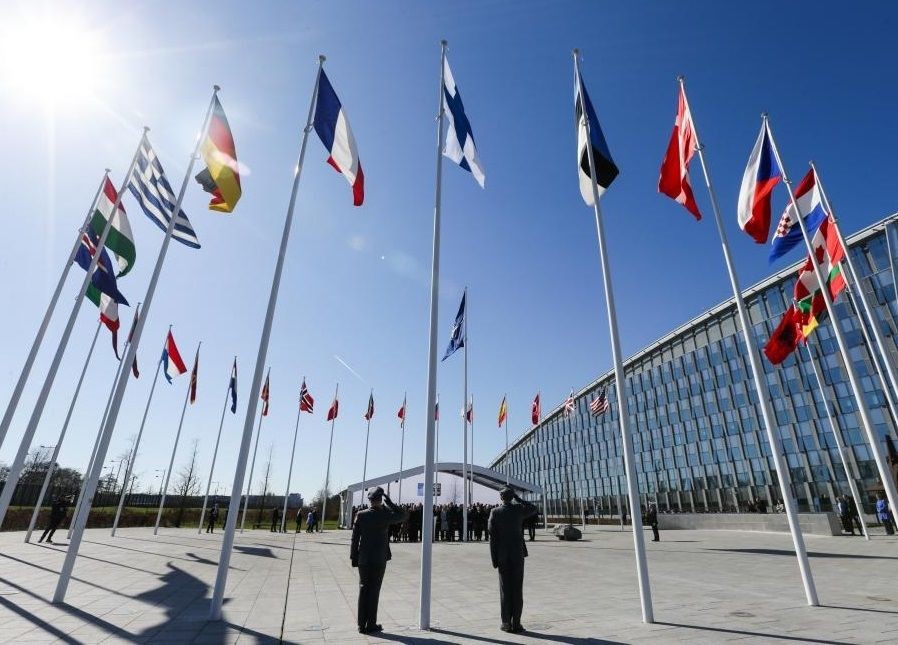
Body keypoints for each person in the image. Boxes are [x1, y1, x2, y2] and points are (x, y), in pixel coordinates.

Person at [350, 487, 408, 634]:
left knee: (363, 589)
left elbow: (354, 538)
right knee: (374, 590)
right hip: (379, 558)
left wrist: (354, 557)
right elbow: (403, 515)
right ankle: (371, 624)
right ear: (380, 500)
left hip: (363, 558)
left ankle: (361, 624)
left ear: (369, 500)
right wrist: (390, 502)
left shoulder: (360, 515)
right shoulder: (385, 514)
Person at [488, 487, 537, 633]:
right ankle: (516, 623)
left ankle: (506, 623)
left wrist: (494, 558)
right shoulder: (518, 510)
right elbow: (533, 508)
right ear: (511, 496)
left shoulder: (495, 512)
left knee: (505, 589)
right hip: (517, 554)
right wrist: (518, 497)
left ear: (501, 497)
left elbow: (492, 537)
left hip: (503, 555)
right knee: (517, 588)